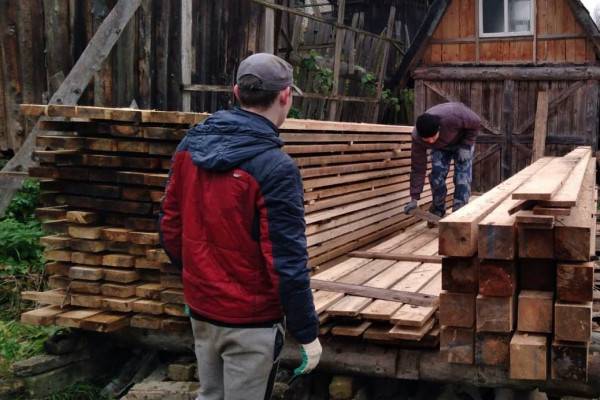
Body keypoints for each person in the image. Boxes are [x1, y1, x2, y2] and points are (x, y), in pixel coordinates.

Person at [159, 53, 321, 400]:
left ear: (236, 91)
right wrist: (307, 332)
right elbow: (285, 263)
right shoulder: (275, 167)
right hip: (250, 322)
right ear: (285, 96)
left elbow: (170, 227)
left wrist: (200, 277)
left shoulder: (189, 147)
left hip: (202, 310)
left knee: (210, 395)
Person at [403, 102, 481, 219]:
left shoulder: (454, 115)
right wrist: (414, 198)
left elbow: (476, 122)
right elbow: (418, 168)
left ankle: (459, 213)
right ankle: (438, 210)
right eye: (426, 139)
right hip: (440, 147)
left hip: (462, 142)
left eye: (433, 137)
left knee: (462, 178)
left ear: (439, 127)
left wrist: (466, 144)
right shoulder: (417, 138)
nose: (430, 141)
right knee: (436, 176)